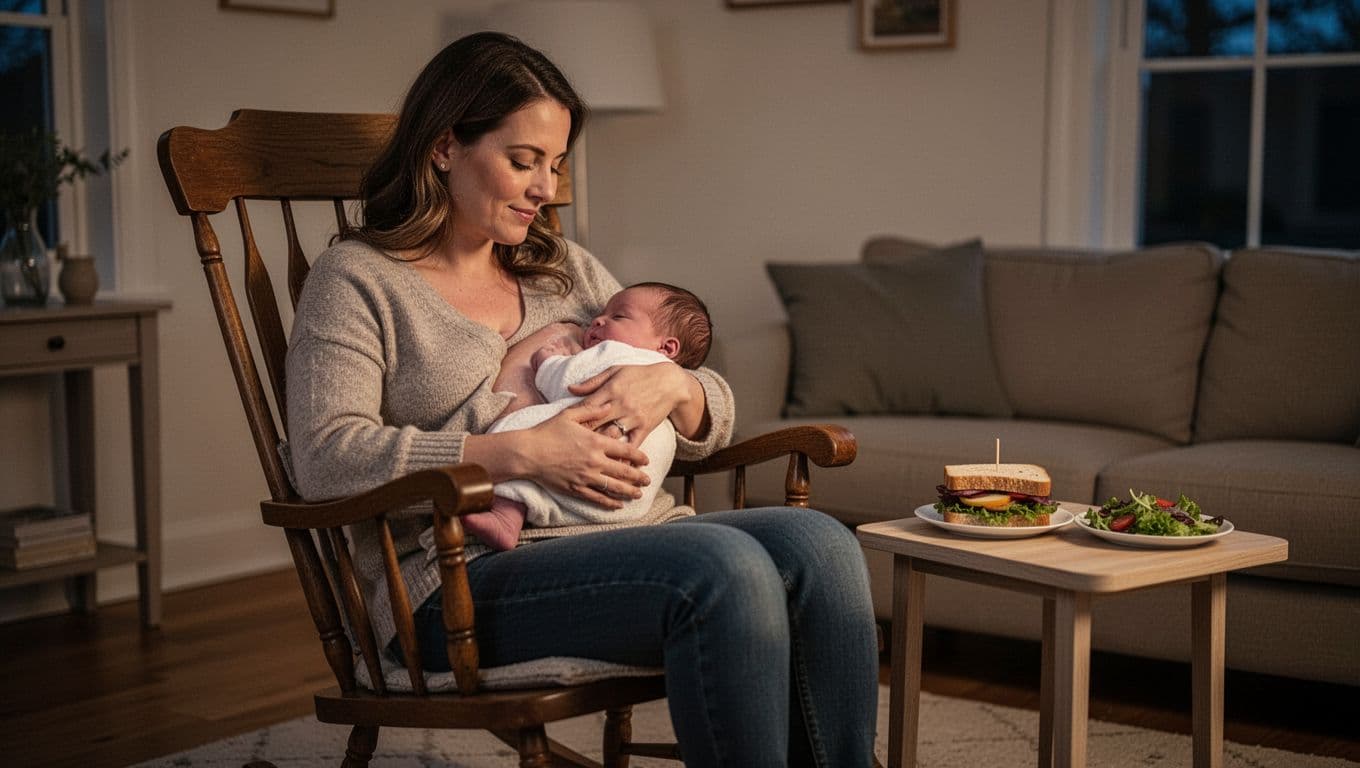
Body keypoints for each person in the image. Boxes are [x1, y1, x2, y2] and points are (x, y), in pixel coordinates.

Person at [283, 31, 878, 767]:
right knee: (725, 570)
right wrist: (517, 451)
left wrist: (675, 384)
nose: (546, 188)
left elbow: (706, 408)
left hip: (626, 538)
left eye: (555, 164)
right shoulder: (356, 280)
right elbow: (323, 460)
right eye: (523, 160)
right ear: (444, 148)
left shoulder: (558, 267)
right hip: (457, 581)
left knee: (822, 545)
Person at [459, 281, 715, 550]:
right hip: (635, 498)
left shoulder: (617, 355)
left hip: (600, 476)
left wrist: (547, 363)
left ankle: (506, 516)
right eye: (602, 314)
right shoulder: (651, 362)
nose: (597, 320)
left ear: (667, 347)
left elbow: (569, 382)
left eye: (618, 316)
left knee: (516, 429)